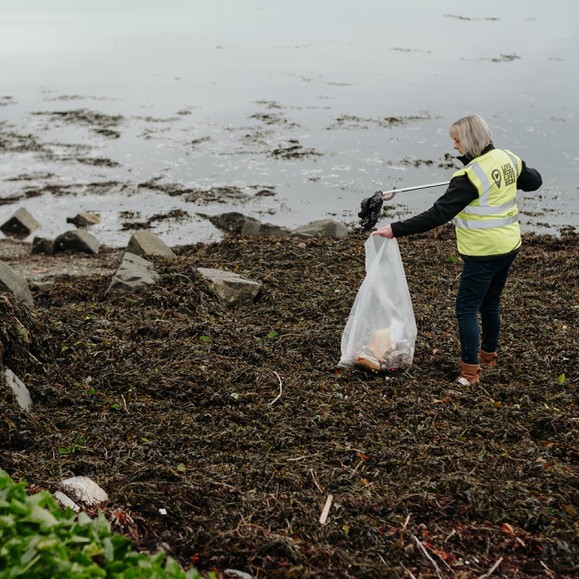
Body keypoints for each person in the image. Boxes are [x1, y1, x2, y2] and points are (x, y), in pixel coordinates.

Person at [372, 114, 542, 385]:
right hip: (509, 246)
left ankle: (469, 373)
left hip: (483, 252)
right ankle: (489, 356)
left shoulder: (468, 177)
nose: (454, 146)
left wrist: (395, 229)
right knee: (491, 302)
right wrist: (510, 175)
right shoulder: (508, 158)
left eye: (457, 140)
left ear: (471, 139)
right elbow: (534, 181)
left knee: (466, 308)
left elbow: (437, 214)